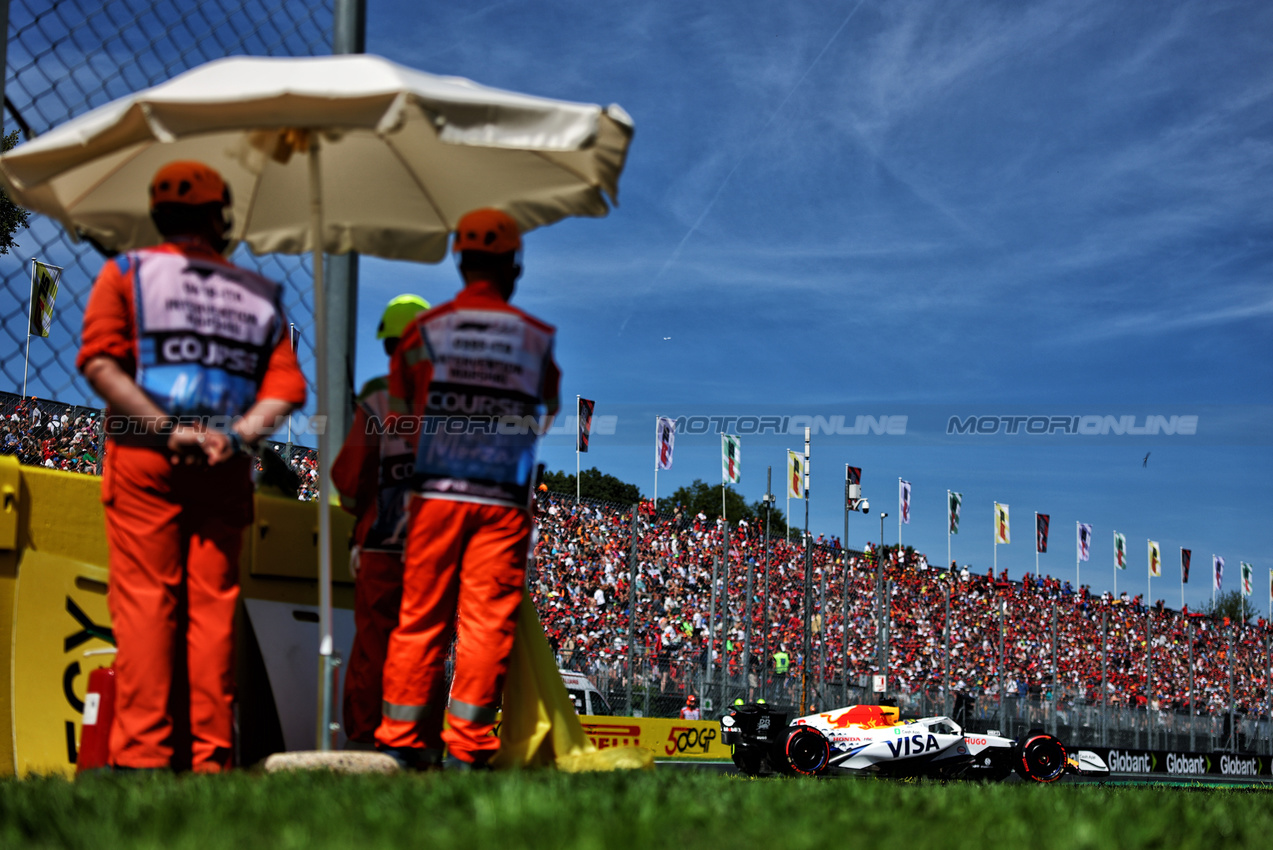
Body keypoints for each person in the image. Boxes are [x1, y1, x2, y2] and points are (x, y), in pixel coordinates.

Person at [77, 161, 305, 772]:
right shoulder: (258, 293)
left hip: (144, 454)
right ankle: (212, 756)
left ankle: (144, 755)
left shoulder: (127, 272)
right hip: (225, 464)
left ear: (157, 215)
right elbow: (287, 389)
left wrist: (164, 428)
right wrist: (236, 437)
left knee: (146, 603)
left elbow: (100, 362)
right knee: (212, 609)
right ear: (219, 217)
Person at [375, 208, 560, 770]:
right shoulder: (535, 337)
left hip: (436, 492)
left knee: (420, 617)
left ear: (460, 262)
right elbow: (546, 412)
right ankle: (469, 747)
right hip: (501, 498)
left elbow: (400, 418)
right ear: (514, 266)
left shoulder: (422, 333)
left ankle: (401, 742)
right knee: (485, 623)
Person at [331, 294, 429, 747]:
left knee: (374, 648)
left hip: (381, 545)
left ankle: (367, 741)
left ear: (389, 344)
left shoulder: (376, 399)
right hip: (433, 548)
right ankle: (420, 745)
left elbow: (349, 484)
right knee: (425, 646)